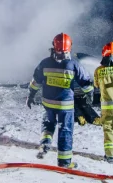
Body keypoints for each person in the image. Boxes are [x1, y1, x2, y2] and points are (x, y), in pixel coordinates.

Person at [26, 33, 94, 168]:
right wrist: (89, 96)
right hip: (65, 106)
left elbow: (36, 82)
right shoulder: (73, 64)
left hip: (48, 103)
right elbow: (86, 84)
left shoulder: (45, 63)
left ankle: (45, 143)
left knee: (48, 123)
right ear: (70, 46)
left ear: (53, 45)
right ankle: (64, 162)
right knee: (65, 130)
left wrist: (31, 95)